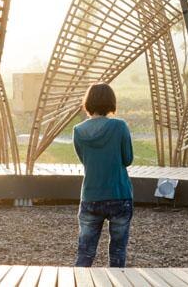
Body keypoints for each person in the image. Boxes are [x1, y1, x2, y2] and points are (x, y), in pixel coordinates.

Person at [72, 82, 134, 268]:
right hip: (119, 195)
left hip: (91, 196)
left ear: (88, 102)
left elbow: (85, 160)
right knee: (117, 251)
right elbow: (128, 159)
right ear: (110, 102)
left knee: (85, 252)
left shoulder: (78, 130)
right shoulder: (120, 126)